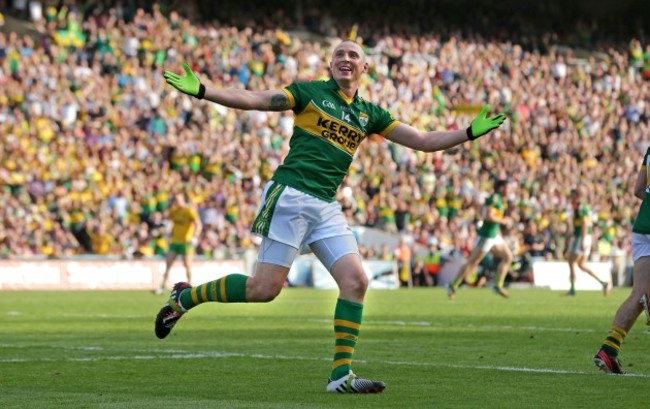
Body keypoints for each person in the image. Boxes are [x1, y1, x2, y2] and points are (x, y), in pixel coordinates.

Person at [155, 39, 506, 393]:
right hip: (291, 195)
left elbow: (423, 139)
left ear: (364, 67)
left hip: (325, 205)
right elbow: (259, 99)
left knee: (356, 282)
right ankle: (184, 298)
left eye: (353, 55)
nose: (346, 58)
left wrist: (468, 133)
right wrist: (203, 90)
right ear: (330, 64)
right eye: (339, 54)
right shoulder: (310, 94)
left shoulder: (371, 114)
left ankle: (340, 375)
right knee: (263, 290)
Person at [593, 147, 650, 374]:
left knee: (639, 294)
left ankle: (609, 350)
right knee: (643, 294)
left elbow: (638, 189)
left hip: (643, 227)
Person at [446, 178, 514, 300]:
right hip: (487, 236)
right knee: (472, 263)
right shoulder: (495, 199)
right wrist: (504, 221)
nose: (510, 191)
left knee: (508, 257)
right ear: (502, 188)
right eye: (508, 188)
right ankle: (452, 285)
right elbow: (489, 216)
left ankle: (498, 285)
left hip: (494, 236)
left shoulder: (500, 200)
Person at [564, 187, 611, 296]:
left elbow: (585, 224)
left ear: (577, 196)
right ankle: (603, 283)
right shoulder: (581, 207)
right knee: (581, 265)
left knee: (571, 261)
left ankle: (572, 289)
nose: (570, 199)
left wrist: (582, 240)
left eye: (572, 196)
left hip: (581, 238)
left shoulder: (581, 208)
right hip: (583, 237)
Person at [156, 192, 202, 294]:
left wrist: (195, 237)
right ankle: (162, 286)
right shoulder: (174, 211)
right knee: (168, 263)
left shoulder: (189, 211)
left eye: (178, 199)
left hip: (186, 242)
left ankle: (190, 287)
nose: (176, 201)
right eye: (175, 199)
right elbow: (167, 219)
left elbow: (198, 224)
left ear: (183, 200)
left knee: (187, 264)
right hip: (175, 241)